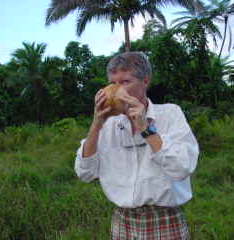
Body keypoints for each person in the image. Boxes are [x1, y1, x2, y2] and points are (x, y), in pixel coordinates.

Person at [75, 52, 199, 240]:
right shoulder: (108, 124)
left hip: (164, 220)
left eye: (125, 82)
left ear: (145, 81)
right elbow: (85, 173)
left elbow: (181, 167)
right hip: (123, 221)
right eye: (113, 83)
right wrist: (96, 125)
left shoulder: (170, 114)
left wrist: (144, 127)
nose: (117, 89)